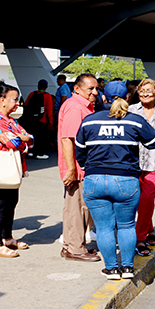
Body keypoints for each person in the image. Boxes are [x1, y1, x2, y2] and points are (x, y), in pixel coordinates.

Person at [76, 92, 155, 280]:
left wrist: (87, 167)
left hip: (94, 180)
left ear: (104, 98)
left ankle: (112, 269)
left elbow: (79, 150)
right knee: (126, 226)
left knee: (104, 227)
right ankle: (128, 268)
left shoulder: (89, 121)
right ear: (128, 98)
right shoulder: (135, 120)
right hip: (126, 180)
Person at [0, 81, 34, 257]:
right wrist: (23, 138)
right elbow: (13, 141)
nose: (17, 103)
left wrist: (22, 138)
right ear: (2, 99)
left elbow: (30, 137)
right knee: (0, 205)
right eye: (14, 99)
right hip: (0, 168)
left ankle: (7, 237)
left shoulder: (10, 120)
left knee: (11, 202)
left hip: (11, 167)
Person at [58, 74, 101, 262]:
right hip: (77, 167)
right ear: (77, 89)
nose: (95, 92)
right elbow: (68, 139)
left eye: (96, 88)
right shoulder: (76, 107)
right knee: (77, 208)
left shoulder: (82, 106)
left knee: (79, 208)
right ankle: (74, 248)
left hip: (81, 166)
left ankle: (73, 245)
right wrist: (71, 169)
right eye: (90, 88)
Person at [128, 79, 155, 257]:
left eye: (149, 91)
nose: (145, 94)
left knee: (146, 199)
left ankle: (140, 238)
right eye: (142, 90)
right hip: (133, 162)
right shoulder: (131, 110)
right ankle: (149, 228)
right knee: (138, 200)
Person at [21, 79, 54, 160]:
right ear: (46, 87)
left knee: (32, 136)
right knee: (41, 138)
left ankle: (31, 152)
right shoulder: (47, 96)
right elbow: (49, 110)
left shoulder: (32, 94)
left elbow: (26, 105)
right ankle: (40, 153)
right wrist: (51, 122)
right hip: (42, 120)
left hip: (31, 120)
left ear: (38, 85)